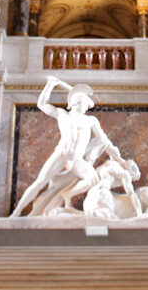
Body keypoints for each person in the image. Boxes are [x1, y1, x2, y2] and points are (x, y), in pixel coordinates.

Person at [10, 76, 130, 216]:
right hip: (61, 155)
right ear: (78, 103)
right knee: (39, 183)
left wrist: (120, 159)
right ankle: (16, 213)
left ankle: (67, 194)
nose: (87, 107)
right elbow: (42, 104)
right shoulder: (62, 115)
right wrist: (50, 85)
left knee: (93, 178)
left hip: (76, 160)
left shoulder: (90, 121)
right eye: (85, 104)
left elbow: (104, 140)